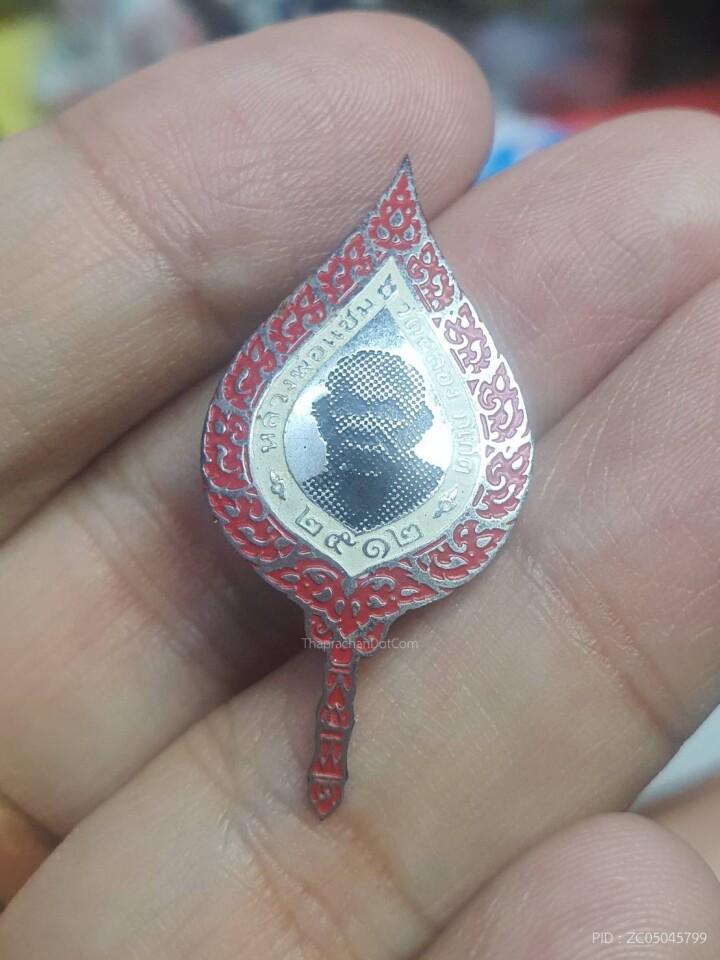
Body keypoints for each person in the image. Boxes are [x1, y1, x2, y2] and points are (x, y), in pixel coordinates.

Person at [0, 11, 719, 959]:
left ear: (416, 429)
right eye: (356, 417)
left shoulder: (417, 469)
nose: (373, 431)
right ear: (335, 421)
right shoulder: (304, 465)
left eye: (390, 420)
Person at [302, 350, 442, 532]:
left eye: (388, 412)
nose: (367, 424)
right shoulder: (311, 494)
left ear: (419, 425)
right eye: (352, 408)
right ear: (323, 418)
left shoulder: (435, 492)